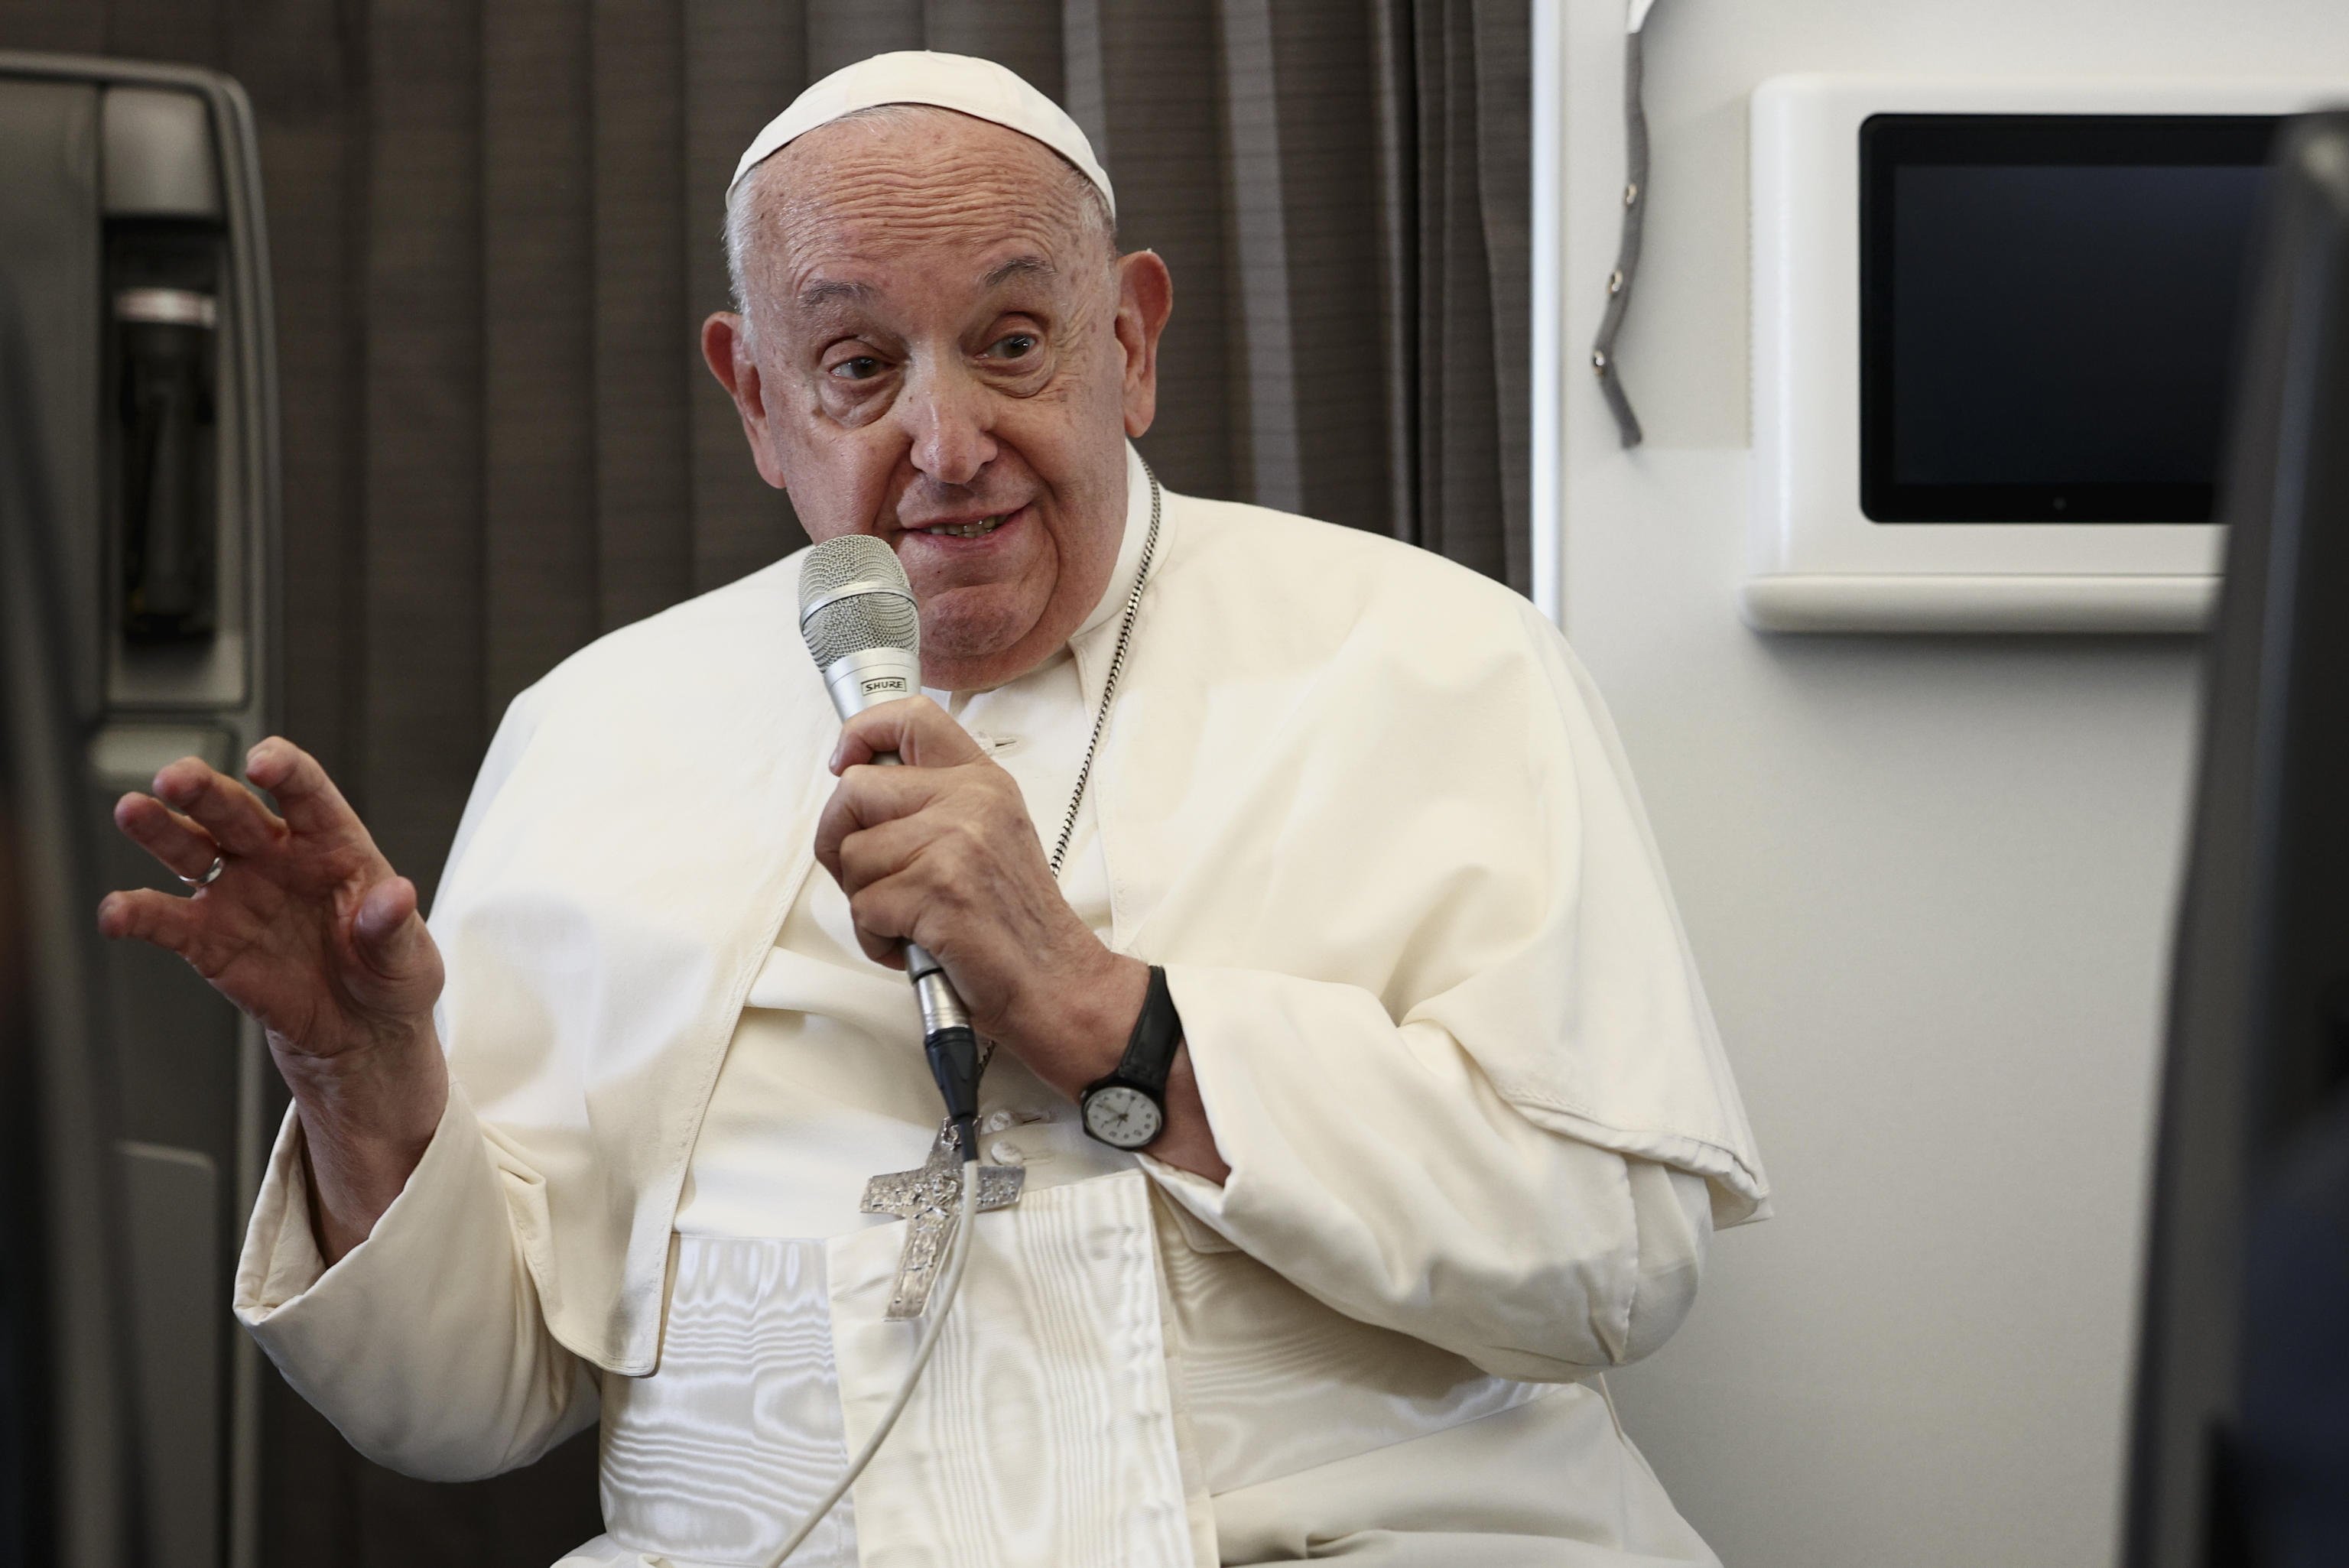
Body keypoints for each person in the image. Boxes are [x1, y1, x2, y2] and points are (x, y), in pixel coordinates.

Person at [98, 50, 1768, 1568]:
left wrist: (1113, 1020)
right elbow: (460, 1406)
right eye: (855, 367)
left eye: (1015, 343)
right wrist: (361, 1083)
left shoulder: (1441, 659)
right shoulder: (597, 728)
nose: (948, 442)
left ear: (1129, 343)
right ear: (754, 398)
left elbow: (1616, 1258)